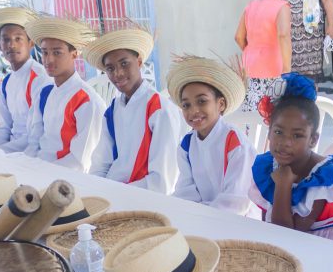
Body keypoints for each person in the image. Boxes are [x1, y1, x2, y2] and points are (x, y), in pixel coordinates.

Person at [248, 73, 333, 252]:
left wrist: (283, 184)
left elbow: (288, 234)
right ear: (269, 131)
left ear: (313, 140)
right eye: (278, 132)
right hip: (299, 243)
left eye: (297, 135)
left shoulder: (324, 180)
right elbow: (270, 223)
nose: (285, 143)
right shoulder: (267, 167)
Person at [85, 25, 181, 193]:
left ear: (139, 62)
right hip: (113, 193)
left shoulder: (159, 109)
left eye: (124, 63)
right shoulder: (112, 111)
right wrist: (98, 191)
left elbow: (162, 181)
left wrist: (117, 192)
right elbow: (100, 163)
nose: (118, 73)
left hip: (144, 198)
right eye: (110, 68)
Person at [168, 55, 259, 217]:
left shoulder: (235, 143)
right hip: (200, 217)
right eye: (186, 105)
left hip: (237, 222)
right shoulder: (186, 145)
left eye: (202, 101)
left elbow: (237, 201)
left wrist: (203, 215)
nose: (194, 110)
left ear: (221, 104)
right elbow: (186, 190)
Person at [24, 14, 105, 171]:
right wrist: (26, 166)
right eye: (45, 52)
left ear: (74, 54)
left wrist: (39, 172)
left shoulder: (86, 101)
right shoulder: (45, 93)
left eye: (57, 52)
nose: (48, 60)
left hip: (65, 179)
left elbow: (80, 162)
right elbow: (35, 142)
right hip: (38, 169)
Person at [0, 7, 53, 153]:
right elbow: (3, 127)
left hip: (33, 151)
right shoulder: (6, 82)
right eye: (6, 39)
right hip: (12, 148)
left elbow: (37, 135)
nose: (11, 45)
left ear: (31, 43)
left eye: (18, 39)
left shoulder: (40, 79)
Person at [235, 0, 291, 111]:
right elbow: (283, 35)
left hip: (250, 67)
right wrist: (287, 69)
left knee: (252, 111)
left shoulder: (251, 5)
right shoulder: (282, 6)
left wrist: (252, 50)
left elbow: (238, 37)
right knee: (273, 113)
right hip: (273, 67)